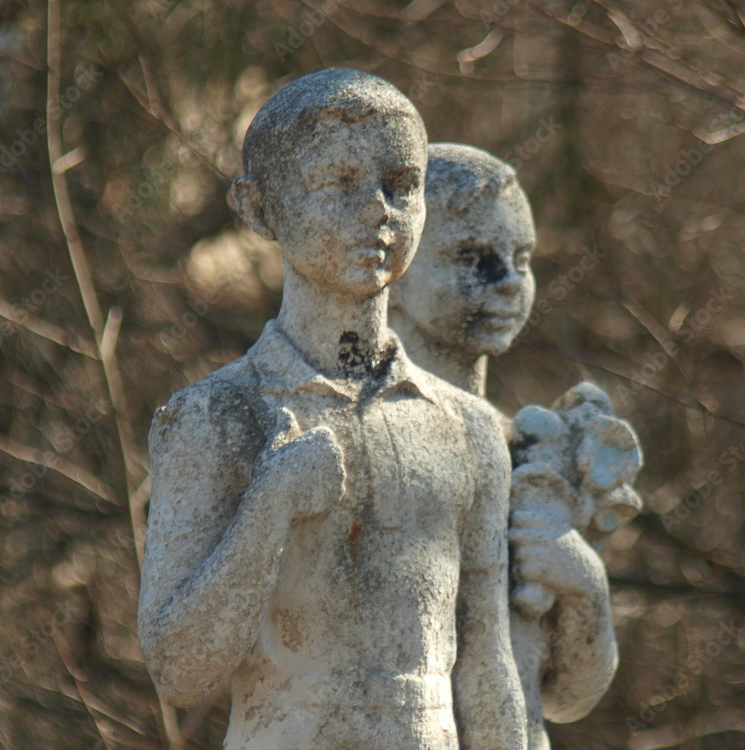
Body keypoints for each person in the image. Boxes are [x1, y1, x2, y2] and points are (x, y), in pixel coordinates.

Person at [138, 70, 526, 750]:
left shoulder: (468, 429)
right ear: (260, 209)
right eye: (338, 183)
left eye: (401, 185)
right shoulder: (214, 417)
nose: (378, 209)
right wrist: (271, 502)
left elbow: (487, 666)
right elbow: (179, 671)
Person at [390, 143, 639, 750]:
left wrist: (585, 584)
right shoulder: (364, 440)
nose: (506, 282)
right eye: (470, 257)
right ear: (392, 269)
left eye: (521, 258)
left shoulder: (532, 453)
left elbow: (567, 697)